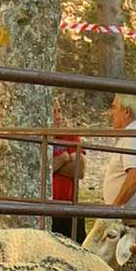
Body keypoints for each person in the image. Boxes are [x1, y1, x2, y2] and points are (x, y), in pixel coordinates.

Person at [102, 93, 136, 214]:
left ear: (126, 112)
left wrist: (114, 209)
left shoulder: (132, 136)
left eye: (114, 107)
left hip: (130, 216)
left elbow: (135, 178)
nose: (111, 113)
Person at [50, 100, 86, 243]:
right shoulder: (36, 137)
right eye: (54, 112)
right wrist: (64, 158)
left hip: (68, 207)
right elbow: (36, 170)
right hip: (45, 208)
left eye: (59, 111)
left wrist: (54, 164)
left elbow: (80, 170)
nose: (59, 116)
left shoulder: (70, 136)